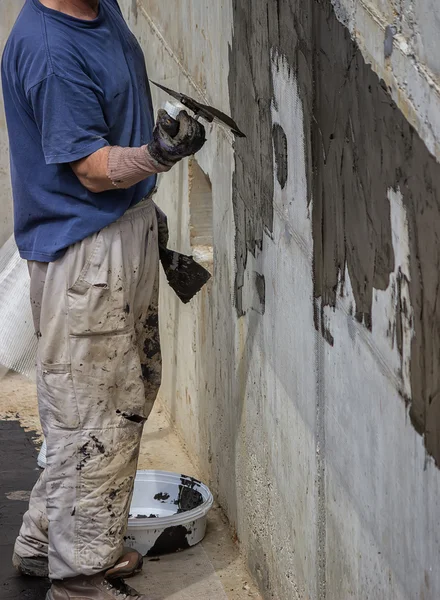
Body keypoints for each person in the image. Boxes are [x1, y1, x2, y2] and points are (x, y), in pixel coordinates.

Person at [1, 0, 206, 598]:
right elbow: (92, 168)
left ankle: (45, 543)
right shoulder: (51, 51)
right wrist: (158, 155)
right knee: (95, 420)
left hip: (118, 235)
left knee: (111, 403)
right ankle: (83, 581)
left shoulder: (98, 7)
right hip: (87, 257)